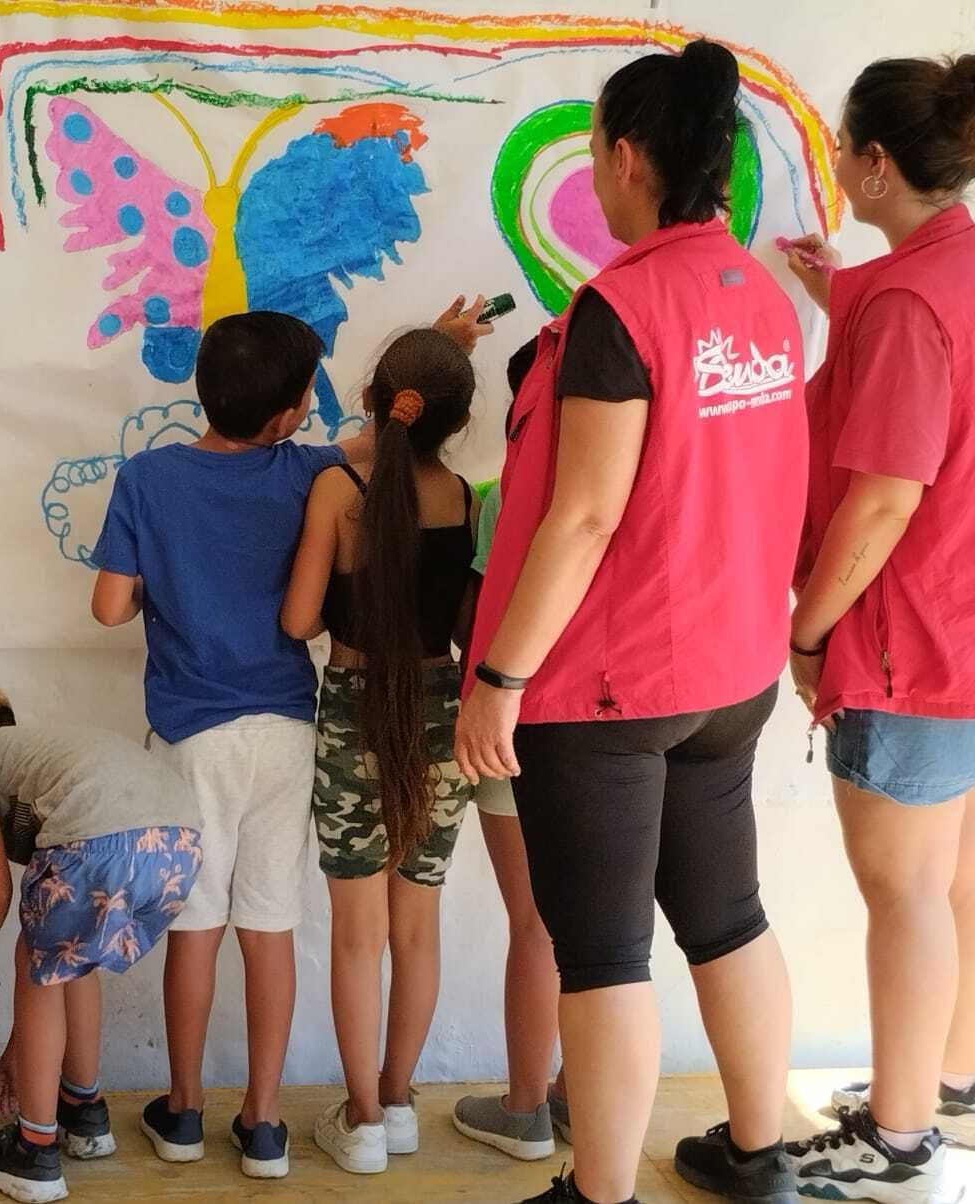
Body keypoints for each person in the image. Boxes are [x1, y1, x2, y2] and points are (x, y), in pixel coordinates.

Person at [456, 40, 806, 1204]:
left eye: (602, 155)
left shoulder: (620, 306)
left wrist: (499, 677)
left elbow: (585, 516)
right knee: (728, 916)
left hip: (611, 682)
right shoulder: (756, 295)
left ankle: (598, 1193)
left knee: (602, 954)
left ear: (623, 158)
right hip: (732, 665)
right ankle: (761, 1152)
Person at [90, 303, 484, 1180]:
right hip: (285, 733)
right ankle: (263, 1125)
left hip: (191, 736)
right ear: (287, 414)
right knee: (269, 926)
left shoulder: (148, 480)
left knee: (196, 927)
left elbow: (110, 606)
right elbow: (384, 445)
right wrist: (436, 363)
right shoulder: (303, 471)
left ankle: (185, 1113)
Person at [781, 53, 975, 1203]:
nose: (835, 163)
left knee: (904, 891)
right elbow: (922, 331)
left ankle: (897, 1147)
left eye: (843, 147)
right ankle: (954, 1089)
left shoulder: (906, 300)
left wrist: (808, 628)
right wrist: (836, 291)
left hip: (929, 642)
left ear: (876, 162)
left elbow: (884, 496)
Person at [279, 327, 481, 1174]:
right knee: (418, 927)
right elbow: (465, 627)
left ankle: (360, 1122)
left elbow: (298, 621)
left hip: (356, 710)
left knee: (357, 938)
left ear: (373, 402)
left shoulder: (336, 487)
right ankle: (398, 1102)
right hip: (442, 715)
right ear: (457, 422)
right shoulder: (466, 497)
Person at [0, 679, 202, 1203]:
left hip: (101, 837)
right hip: (179, 842)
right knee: (68, 959)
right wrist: (19, 1049)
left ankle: (34, 1149)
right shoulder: (34, 754)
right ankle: (83, 1114)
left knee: (36, 958)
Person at [451, 342, 564, 1163]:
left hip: (517, 728)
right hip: (621, 725)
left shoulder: (505, 491)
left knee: (535, 924)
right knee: (604, 928)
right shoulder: (635, 472)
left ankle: (526, 1106)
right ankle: (582, 1097)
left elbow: (477, 624)